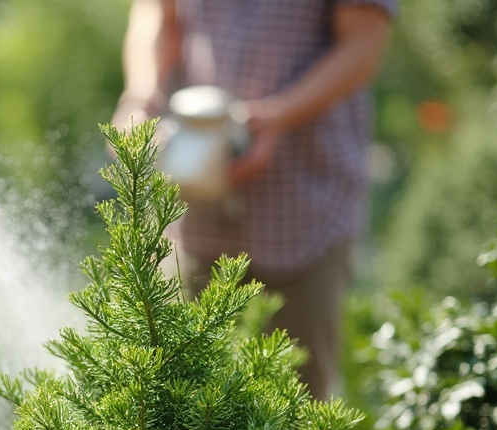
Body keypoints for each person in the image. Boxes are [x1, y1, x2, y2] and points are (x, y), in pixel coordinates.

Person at [114, 0, 395, 401]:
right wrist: (141, 97)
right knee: (177, 402)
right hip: (192, 212)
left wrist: (277, 117)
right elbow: (157, 12)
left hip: (304, 207)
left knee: (294, 409)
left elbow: (363, 45)